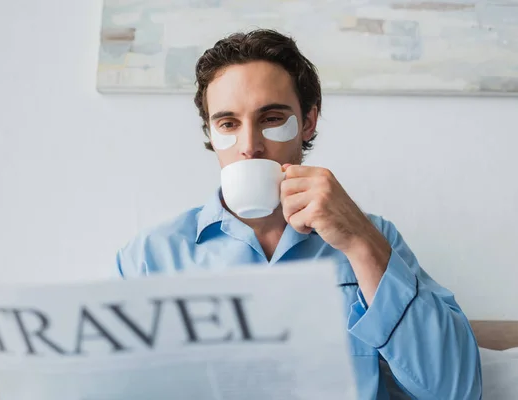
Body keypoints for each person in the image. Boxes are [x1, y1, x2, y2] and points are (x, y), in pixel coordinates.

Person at [116, 29, 482, 399]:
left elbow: (459, 390)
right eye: (228, 124)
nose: (250, 146)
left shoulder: (373, 237)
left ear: (308, 122)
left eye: (271, 118)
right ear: (211, 133)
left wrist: (360, 241)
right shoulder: (151, 257)